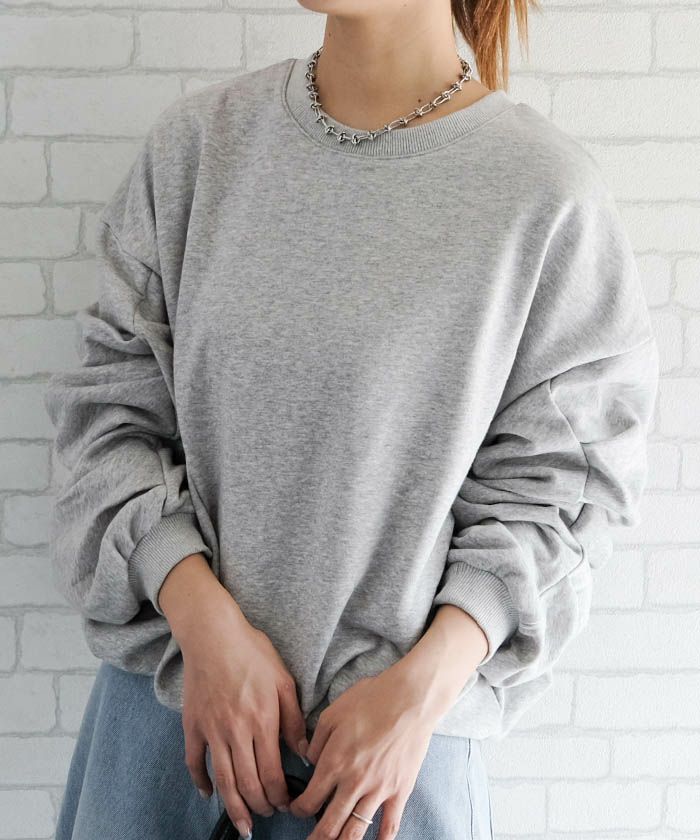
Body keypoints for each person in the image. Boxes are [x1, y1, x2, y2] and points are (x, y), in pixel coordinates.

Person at [43, 1, 660, 839]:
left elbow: (563, 496)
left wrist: (420, 691)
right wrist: (205, 624)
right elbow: (106, 420)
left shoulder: (543, 195)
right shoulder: (200, 148)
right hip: (168, 738)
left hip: (388, 772)